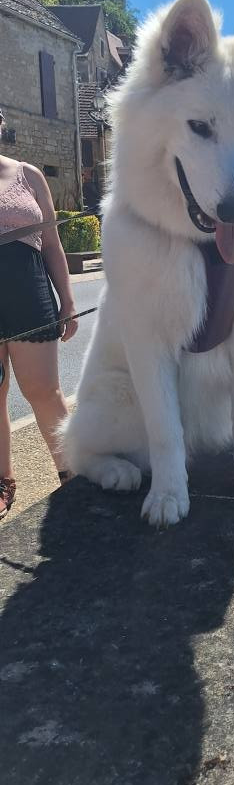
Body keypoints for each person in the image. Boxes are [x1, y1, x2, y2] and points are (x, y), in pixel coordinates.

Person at [0, 154, 78, 519]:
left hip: (29, 291)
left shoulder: (28, 174)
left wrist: (68, 301)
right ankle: (3, 479)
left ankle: (74, 471)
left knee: (45, 391)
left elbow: (51, 243)